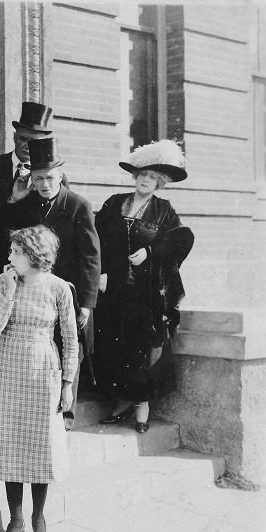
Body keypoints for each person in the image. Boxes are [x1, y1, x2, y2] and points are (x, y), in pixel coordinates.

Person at [0, 225, 78, 532]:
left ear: (33, 255)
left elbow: (71, 339)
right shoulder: (6, 282)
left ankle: (39, 518)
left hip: (42, 368)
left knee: (40, 445)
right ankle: (15, 519)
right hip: (6, 367)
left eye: (15, 252)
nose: (9, 257)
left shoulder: (59, 288)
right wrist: (7, 292)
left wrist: (67, 383)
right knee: (10, 444)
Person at [0, 136, 100, 430]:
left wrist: (88, 304)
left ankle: (65, 417)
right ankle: (37, 411)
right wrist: (13, 200)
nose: (44, 184)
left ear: (60, 175)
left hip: (68, 291)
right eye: (38, 178)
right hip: (33, 291)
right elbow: (4, 233)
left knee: (69, 345)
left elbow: (91, 257)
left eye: (50, 178)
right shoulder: (25, 204)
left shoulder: (78, 205)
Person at [94, 140, 193, 433]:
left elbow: (180, 239)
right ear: (134, 177)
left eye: (151, 177)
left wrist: (150, 253)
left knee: (141, 348)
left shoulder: (163, 210)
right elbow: (96, 240)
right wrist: (101, 272)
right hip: (113, 289)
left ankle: (142, 408)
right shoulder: (114, 203)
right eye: (142, 175)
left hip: (145, 294)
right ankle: (121, 403)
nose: (145, 181)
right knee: (114, 345)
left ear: (159, 183)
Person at [0, 101, 55, 271]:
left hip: (36, 266)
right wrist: (11, 201)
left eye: (33, 142)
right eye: (22, 139)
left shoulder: (53, 177)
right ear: (14, 136)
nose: (26, 146)